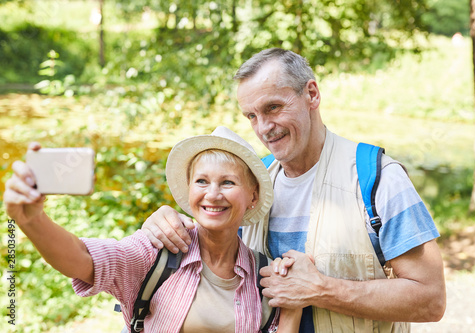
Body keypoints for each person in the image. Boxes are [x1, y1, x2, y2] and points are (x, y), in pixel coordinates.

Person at [141, 48, 447, 332]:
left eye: (272, 108)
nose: (263, 128)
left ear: (311, 94)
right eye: (251, 116)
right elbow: (210, 258)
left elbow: (430, 299)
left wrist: (321, 289)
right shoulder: (249, 183)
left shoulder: (378, 177)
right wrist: (163, 226)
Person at [3, 127, 302, 332]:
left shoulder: (261, 275)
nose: (212, 194)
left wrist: (292, 305)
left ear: (252, 197)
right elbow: (84, 261)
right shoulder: (157, 251)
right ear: (189, 190)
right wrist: (32, 220)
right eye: (201, 181)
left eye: (228, 182)